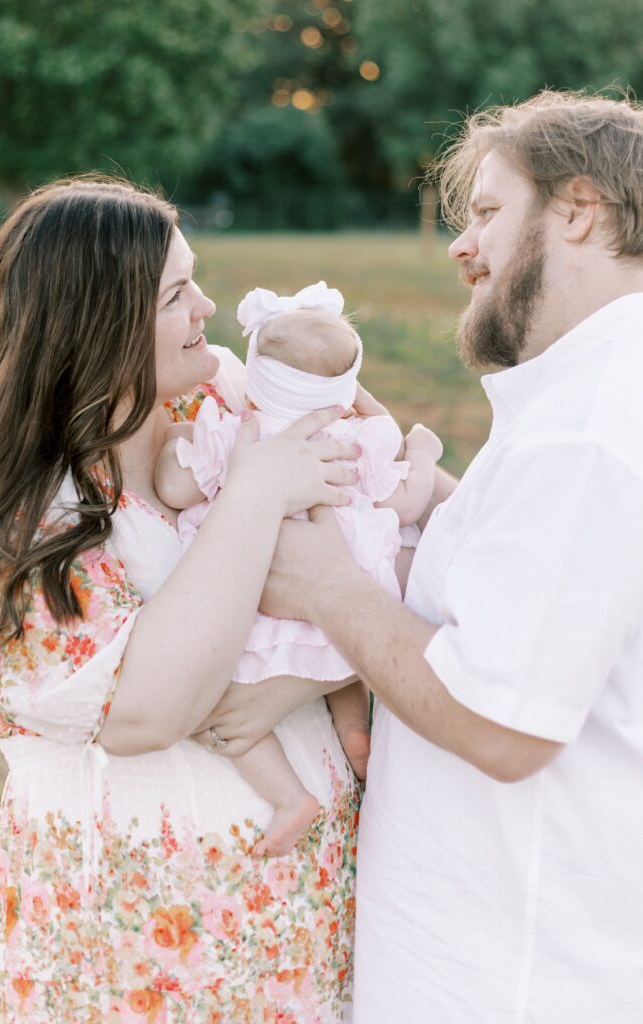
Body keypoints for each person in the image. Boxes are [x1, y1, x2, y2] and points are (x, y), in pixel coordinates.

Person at [201, 90, 643, 1022]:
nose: (460, 245)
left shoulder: (586, 435)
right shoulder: (594, 404)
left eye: (485, 211)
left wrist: (328, 584)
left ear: (576, 210)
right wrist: (433, 505)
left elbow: (502, 725)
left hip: (511, 976)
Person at [0, 176, 365, 1023]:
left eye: (194, 277)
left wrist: (297, 682)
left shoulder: (225, 397)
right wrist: (252, 494)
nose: (207, 305)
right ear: (95, 319)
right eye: (174, 294)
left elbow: (370, 541)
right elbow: (137, 713)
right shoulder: (2, 480)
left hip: (294, 896)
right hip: (125, 922)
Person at [156, 281, 443, 857]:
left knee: (231, 717)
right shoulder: (357, 437)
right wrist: (424, 455)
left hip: (264, 597)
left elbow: (175, 486)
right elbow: (408, 505)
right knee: (341, 655)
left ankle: (289, 796)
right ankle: (354, 732)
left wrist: (176, 443)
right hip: (347, 604)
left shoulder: (235, 431)